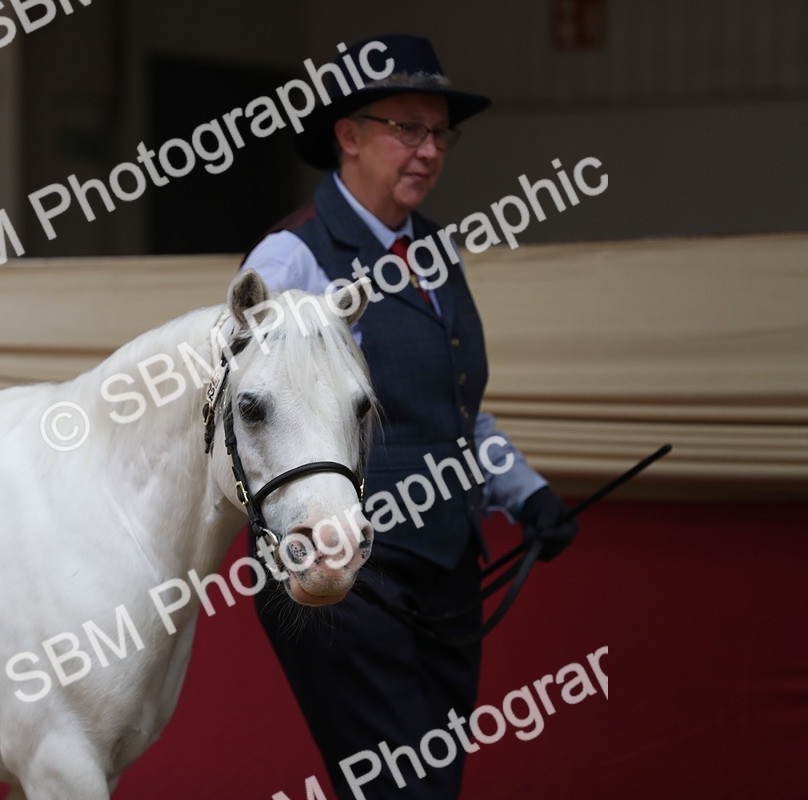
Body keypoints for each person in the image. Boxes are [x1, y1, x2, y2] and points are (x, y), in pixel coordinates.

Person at [240, 34, 578, 799]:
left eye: (439, 133)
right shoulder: (291, 259)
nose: (428, 150)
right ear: (349, 135)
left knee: (433, 787)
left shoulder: (438, 253)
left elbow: (457, 413)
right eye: (407, 129)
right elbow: (253, 420)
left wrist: (524, 493)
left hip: (446, 573)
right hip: (348, 576)